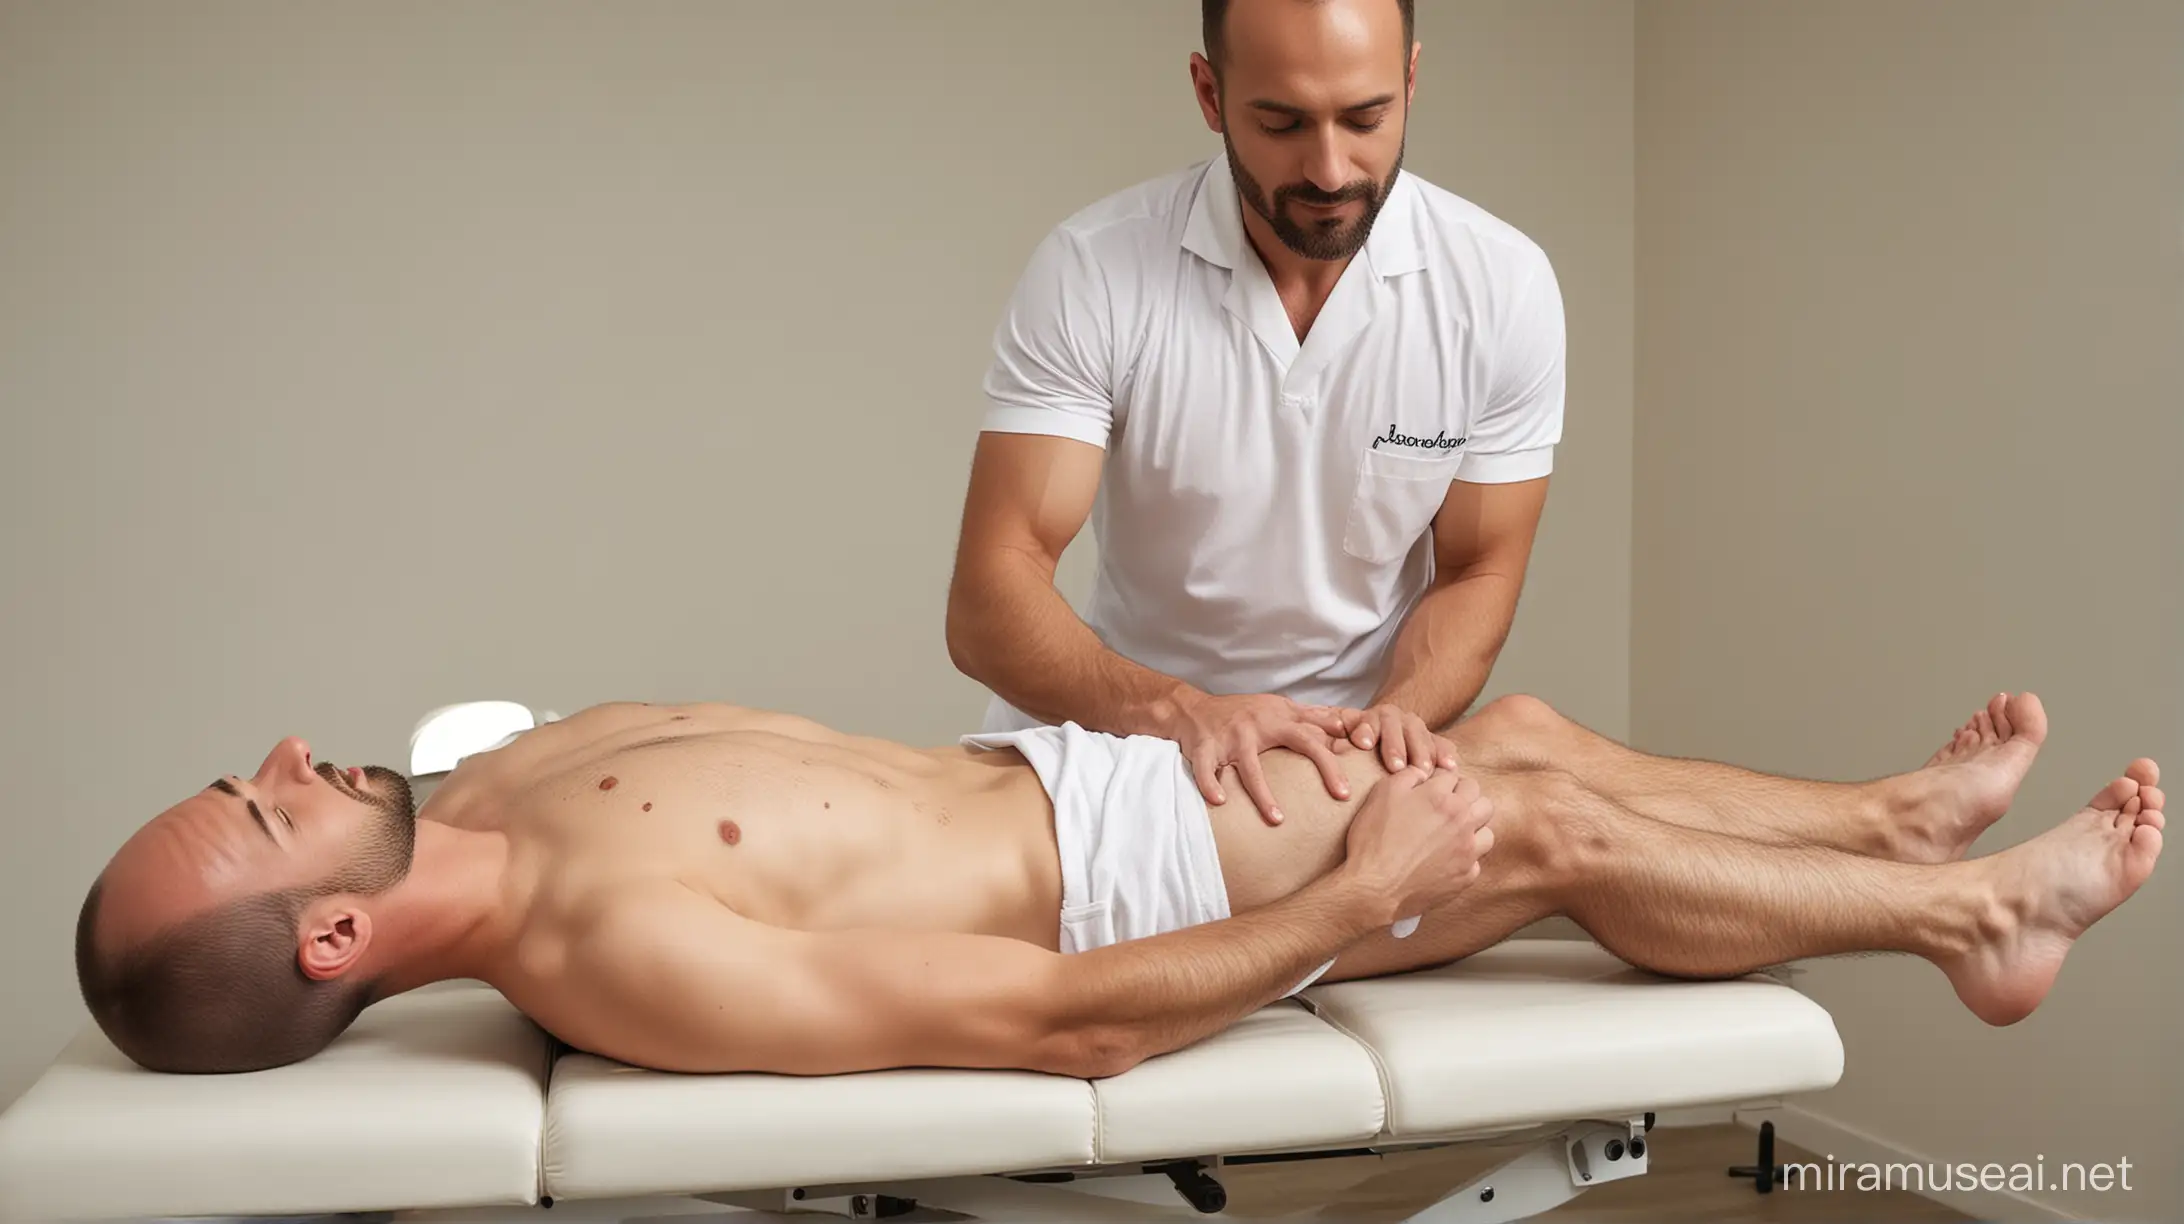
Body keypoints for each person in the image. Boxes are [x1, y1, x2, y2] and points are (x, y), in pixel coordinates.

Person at [74, 692, 2162, 1079]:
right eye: (264, 819)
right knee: (1525, 834)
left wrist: (1162, 719)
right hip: (1121, 885)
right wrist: (1358, 901)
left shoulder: (496, 778)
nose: (283, 765)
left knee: (1516, 731)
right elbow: (1049, 1024)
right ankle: (1976, 924)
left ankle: (1883, 824)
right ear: (334, 940)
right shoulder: (619, 960)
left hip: (1095, 777)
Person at [948, 0, 1562, 824]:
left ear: (1411, 80)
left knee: (1567, 783)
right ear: (1210, 94)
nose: (1331, 169)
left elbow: (1479, 569)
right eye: (1282, 123)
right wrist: (1184, 713)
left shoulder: (1500, 288)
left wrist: (1397, 720)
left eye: (1366, 117)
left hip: (1348, 778)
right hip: (1114, 758)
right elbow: (991, 596)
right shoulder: (1095, 272)